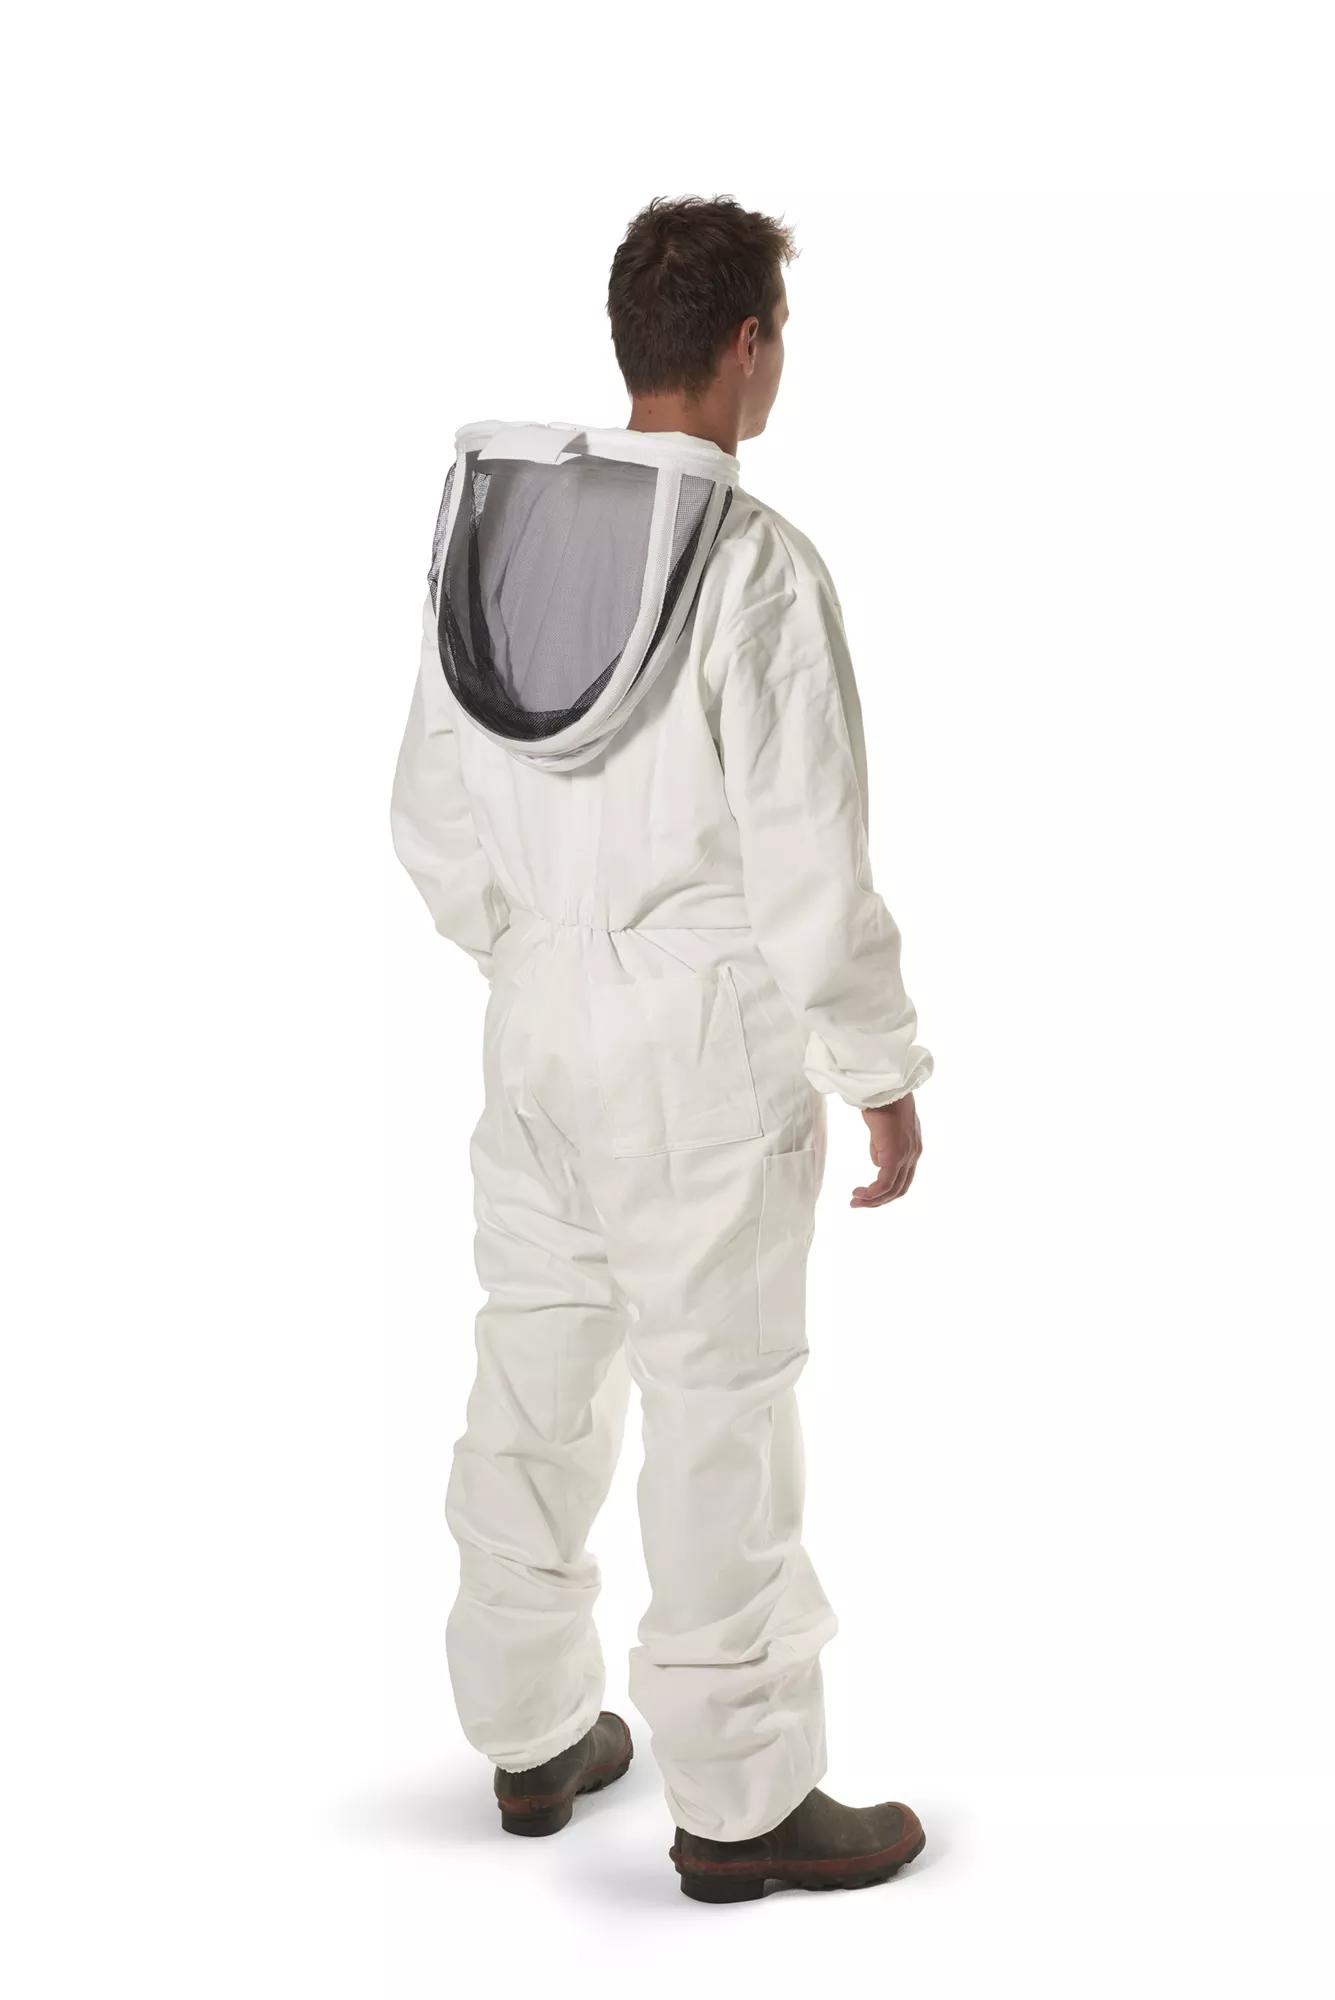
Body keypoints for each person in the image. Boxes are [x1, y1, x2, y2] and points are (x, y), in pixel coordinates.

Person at [390, 195, 932, 1904]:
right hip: (698, 1047)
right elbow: (808, 860)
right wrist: (875, 1067)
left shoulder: (498, 542)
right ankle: (740, 1798)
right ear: (749, 344)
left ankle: (529, 1731)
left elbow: (429, 817)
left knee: (535, 1370)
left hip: (533, 1032)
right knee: (716, 1405)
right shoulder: (751, 566)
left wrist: (536, 955)